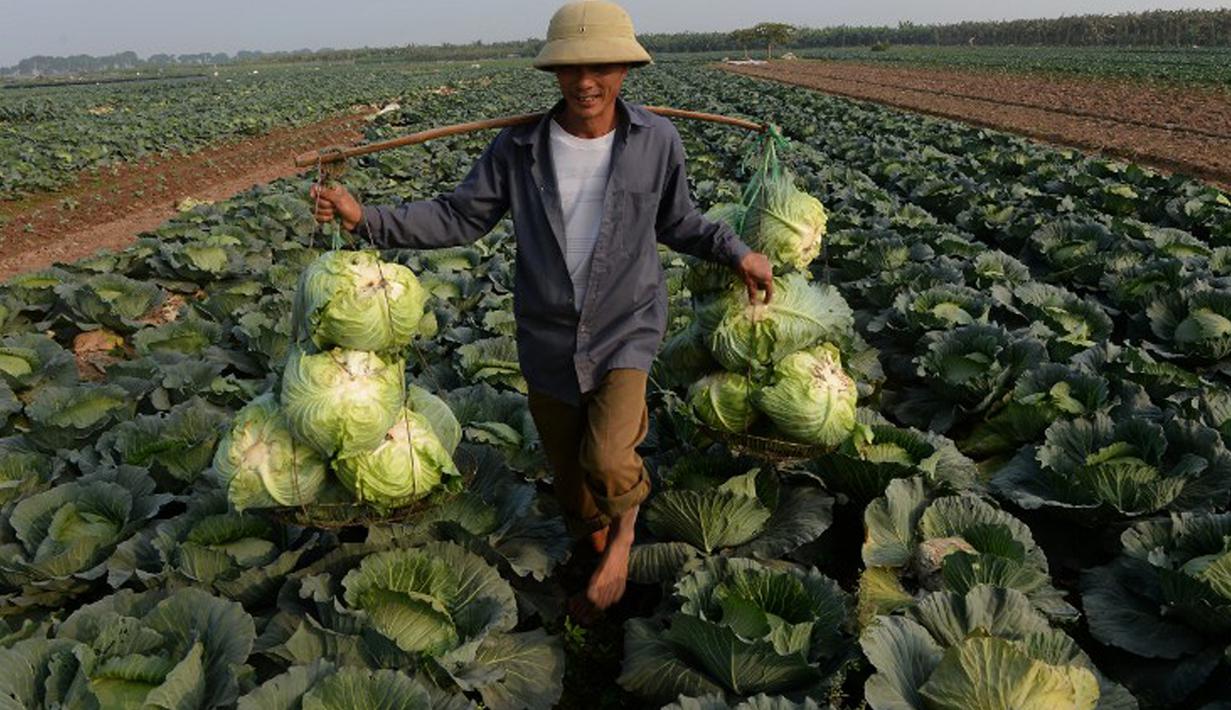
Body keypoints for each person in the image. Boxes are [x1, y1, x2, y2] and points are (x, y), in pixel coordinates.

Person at [311, 0, 773, 620]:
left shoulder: (655, 140)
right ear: (554, 74)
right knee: (570, 477)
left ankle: (625, 542)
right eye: (572, 69)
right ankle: (601, 560)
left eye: (601, 67)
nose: (587, 82)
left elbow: (678, 221)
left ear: (624, 70)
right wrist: (366, 218)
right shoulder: (519, 147)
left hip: (626, 326)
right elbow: (459, 215)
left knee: (609, 457)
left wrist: (738, 250)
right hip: (548, 334)